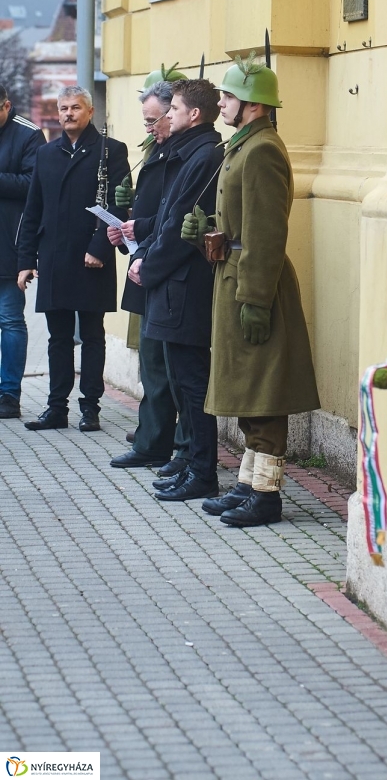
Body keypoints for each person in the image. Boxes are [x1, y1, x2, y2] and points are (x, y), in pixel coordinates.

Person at [181, 57, 319, 527]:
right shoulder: (244, 145)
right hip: (236, 278)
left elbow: (265, 232)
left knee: (262, 391)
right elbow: (240, 221)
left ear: (252, 104)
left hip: (254, 285)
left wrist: (255, 299)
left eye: (227, 96)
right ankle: (247, 483)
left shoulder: (262, 150)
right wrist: (209, 229)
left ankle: (266, 494)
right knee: (246, 388)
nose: (220, 102)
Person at [127, 79, 222, 502]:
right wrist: (145, 250)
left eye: (175, 108)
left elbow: (183, 224)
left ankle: (202, 471)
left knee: (191, 383)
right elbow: (166, 215)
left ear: (192, 114)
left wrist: (149, 265)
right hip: (171, 284)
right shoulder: (186, 151)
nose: (169, 115)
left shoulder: (203, 154)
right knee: (183, 382)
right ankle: (188, 463)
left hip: (183, 286)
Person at [17, 86, 128, 432]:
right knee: (57, 337)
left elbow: (119, 203)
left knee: (92, 335)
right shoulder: (47, 154)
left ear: (90, 112)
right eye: (63, 108)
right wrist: (25, 258)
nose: (68, 113)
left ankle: (91, 406)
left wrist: (99, 247)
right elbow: (33, 209)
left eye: (75, 107)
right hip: (54, 258)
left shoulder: (111, 151)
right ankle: (56, 408)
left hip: (91, 258)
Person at [107, 75, 191, 472]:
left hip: (160, 266)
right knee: (151, 362)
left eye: (155, 119)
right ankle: (152, 435)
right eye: (148, 120)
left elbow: (173, 217)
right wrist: (126, 223)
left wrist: (139, 227)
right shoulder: (159, 152)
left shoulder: (183, 154)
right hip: (147, 261)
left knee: (162, 366)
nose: (152, 128)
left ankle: (160, 441)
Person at [0, 86, 45, 420]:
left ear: (6, 106)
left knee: (11, 321)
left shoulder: (30, 134)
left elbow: (35, 184)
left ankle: (8, 395)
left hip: (9, 246)